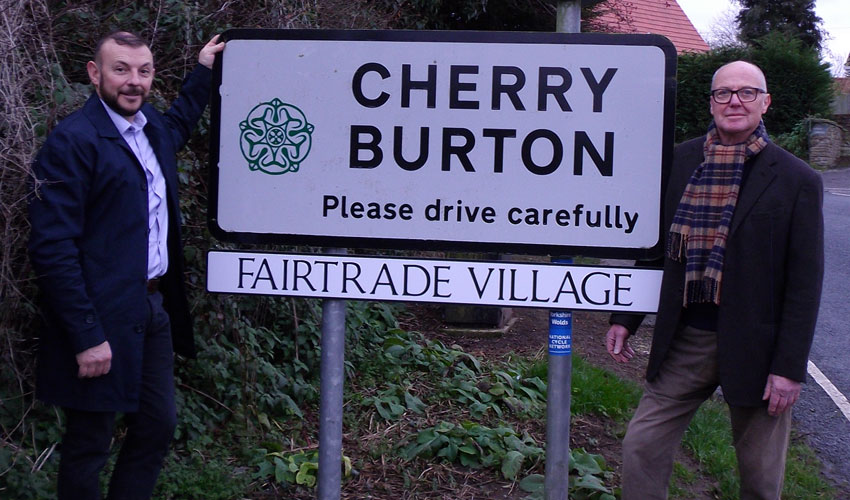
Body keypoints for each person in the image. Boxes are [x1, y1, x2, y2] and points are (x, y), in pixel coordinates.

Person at [606, 60, 824, 500]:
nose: (734, 101)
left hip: (759, 350)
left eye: (747, 92)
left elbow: (805, 282)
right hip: (687, 337)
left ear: (766, 102)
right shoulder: (680, 161)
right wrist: (624, 318)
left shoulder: (798, 180)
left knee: (761, 480)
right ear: (711, 102)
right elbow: (654, 247)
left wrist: (789, 368)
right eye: (723, 93)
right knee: (641, 447)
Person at [28, 31, 225, 499]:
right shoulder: (72, 143)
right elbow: (53, 248)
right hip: (99, 317)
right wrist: (86, 335)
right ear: (95, 74)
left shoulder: (150, 128)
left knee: (157, 426)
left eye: (144, 71)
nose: (133, 82)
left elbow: (179, 125)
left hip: (151, 310)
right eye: (121, 70)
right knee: (89, 443)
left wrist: (203, 71)